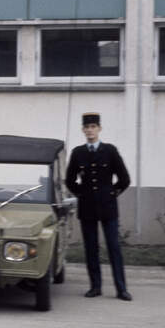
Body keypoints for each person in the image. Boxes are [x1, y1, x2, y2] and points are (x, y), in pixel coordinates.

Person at [65, 112, 132, 301]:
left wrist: (112, 193)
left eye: (93, 127)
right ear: (83, 130)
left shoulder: (110, 151)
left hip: (108, 207)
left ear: (99, 129)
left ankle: (121, 288)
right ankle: (95, 287)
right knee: (91, 248)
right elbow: (69, 180)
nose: (90, 131)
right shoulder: (78, 153)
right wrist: (81, 193)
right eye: (87, 128)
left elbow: (124, 179)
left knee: (113, 248)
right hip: (87, 208)